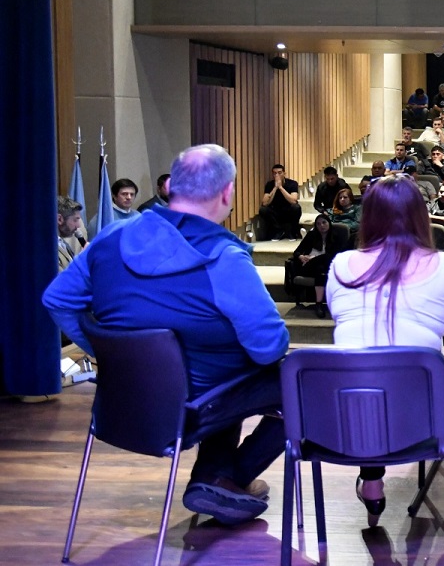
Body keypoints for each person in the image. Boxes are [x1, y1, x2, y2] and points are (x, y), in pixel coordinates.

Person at [44, 144, 289, 525]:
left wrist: (110, 355)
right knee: (298, 382)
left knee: (228, 372)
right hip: (190, 411)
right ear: (227, 193)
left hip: (120, 405)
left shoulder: (110, 238)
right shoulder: (224, 258)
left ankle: (216, 477)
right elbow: (270, 349)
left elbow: (57, 299)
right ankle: (226, 477)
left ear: (172, 185)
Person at [327, 175, 444, 525]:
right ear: (421, 216)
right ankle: (374, 479)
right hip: (421, 419)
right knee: (392, 379)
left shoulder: (340, 266)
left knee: (368, 371)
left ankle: (372, 481)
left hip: (340, 421)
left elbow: (345, 322)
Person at [291, 213, 350, 309]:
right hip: (308, 266)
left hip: (326, 267)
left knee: (321, 268)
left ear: (329, 223)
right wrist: (301, 256)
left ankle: (318, 304)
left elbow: (338, 255)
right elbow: (296, 252)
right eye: (318, 224)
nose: (321, 226)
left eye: (324, 222)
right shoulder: (311, 235)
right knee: (325, 259)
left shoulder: (336, 237)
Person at [259, 164, 300, 240]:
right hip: (276, 211)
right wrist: (275, 188)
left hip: (288, 210)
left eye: (279, 172)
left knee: (296, 207)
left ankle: (292, 231)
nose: (277, 175)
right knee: (263, 210)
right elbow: (265, 203)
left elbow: (294, 201)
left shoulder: (292, 183)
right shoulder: (269, 184)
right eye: (274, 173)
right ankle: (278, 230)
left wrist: (281, 188)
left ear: (284, 173)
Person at [57, 196, 85, 272]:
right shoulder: (48, 249)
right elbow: (61, 280)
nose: (78, 226)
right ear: (60, 219)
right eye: (75, 220)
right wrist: (81, 260)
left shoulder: (63, 243)